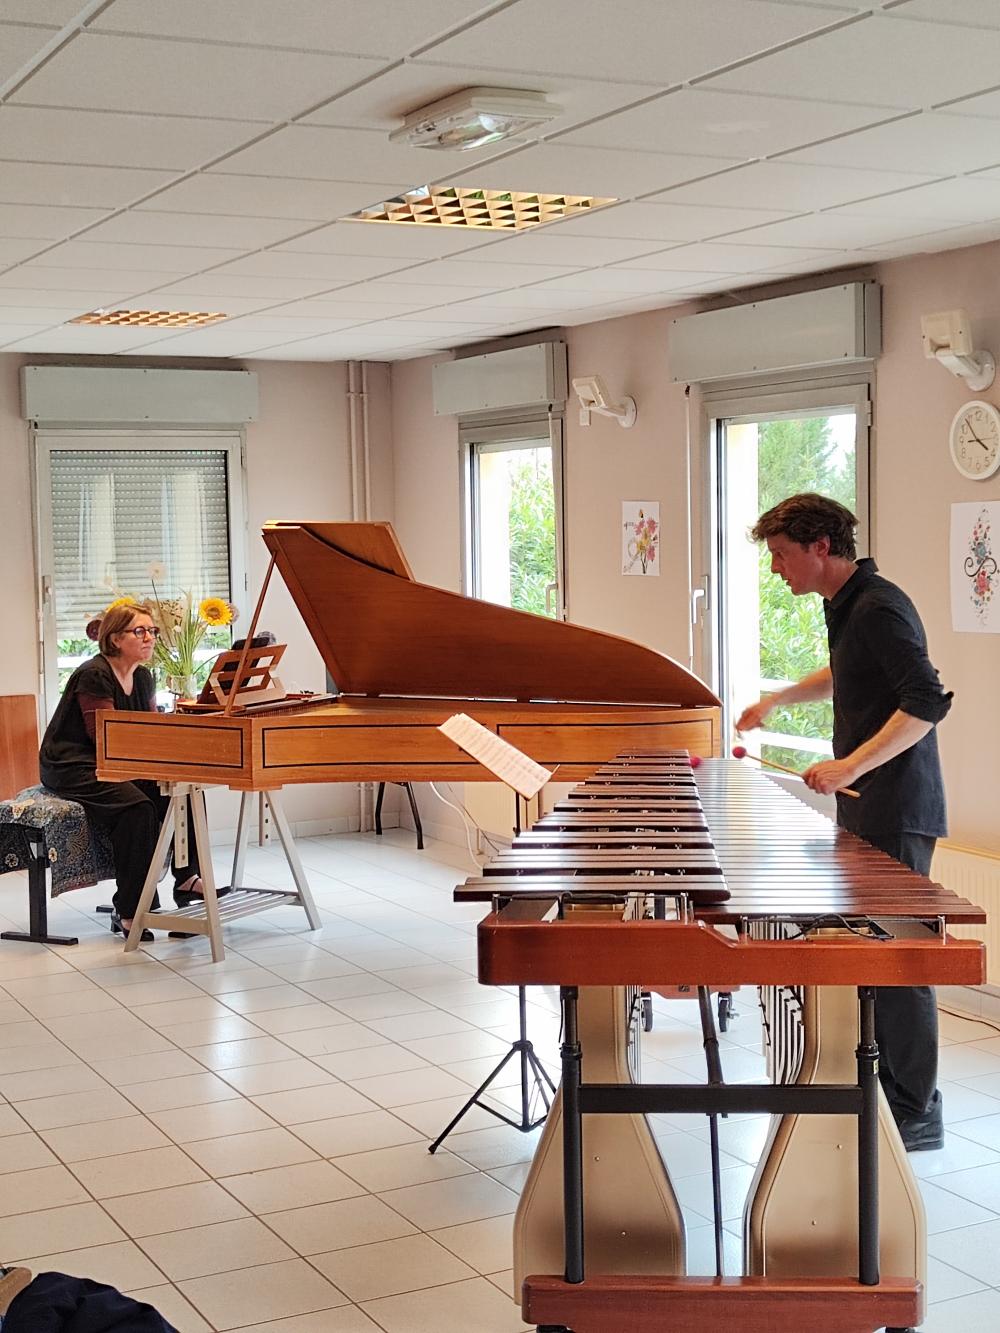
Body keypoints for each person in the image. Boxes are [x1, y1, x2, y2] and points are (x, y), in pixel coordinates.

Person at [735, 493, 952, 1152]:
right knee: (873, 953)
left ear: (821, 547)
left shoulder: (879, 606)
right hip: (870, 803)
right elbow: (847, 672)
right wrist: (780, 698)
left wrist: (850, 764)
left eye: (781, 555)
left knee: (900, 960)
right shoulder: (848, 605)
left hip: (899, 807)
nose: (776, 568)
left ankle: (915, 1109)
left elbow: (926, 702)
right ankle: (886, 1091)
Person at [38, 602, 204, 940]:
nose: (150, 637)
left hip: (118, 758)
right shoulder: (94, 674)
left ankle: (187, 880)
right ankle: (130, 909)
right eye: (139, 631)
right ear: (115, 639)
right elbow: (103, 737)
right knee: (137, 807)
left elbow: (148, 728)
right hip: (73, 763)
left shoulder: (142, 676)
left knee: (186, 790)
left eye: (152, 631)